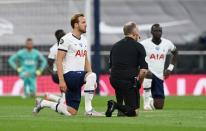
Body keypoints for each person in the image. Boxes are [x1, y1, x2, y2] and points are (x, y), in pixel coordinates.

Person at [33, 13, 103, 116]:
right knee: (92, 75)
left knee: (71, 111)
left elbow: (86, 60)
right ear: (75, 24)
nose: (86, 24)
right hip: (69, 75)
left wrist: (91, 78)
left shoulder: (84, 39)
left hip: (77, 77)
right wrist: (61, 81)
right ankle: (89, 110)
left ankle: (43, 103)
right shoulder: (66, 39)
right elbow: (59, 60)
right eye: (83, 22)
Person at [106, 22, 148, 117]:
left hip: (114, 80)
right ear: (135, 33)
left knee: (120, 86)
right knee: (134, 112)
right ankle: (115, 105)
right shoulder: (139, 47)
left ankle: (120, 109)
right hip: (128, 81)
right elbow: (143, 71)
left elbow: (110, 69)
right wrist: (139, 84)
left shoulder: (115, 46)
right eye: (138, 32)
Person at [140, 24, 178, 110]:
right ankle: (146, 102)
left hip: (159, 76)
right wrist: (141, 67)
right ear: (151, 32)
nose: (158, 33)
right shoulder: (144, 43)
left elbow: (175, 53)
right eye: (156, 31)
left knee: (159, 106)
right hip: (148, 73)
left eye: (160, 31)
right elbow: (135, 53)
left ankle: (150, 101)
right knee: (148, 74)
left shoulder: (167, 43)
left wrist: (170, 68)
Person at [46, 29, 66, 104]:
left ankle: (51, 97)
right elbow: (49, 64)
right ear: (58, 38)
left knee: (67, 93)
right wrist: (54, 72)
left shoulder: (69, 46)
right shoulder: (54, 49)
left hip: (66, 71)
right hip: (58, 73)